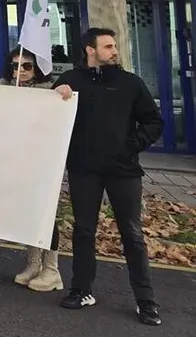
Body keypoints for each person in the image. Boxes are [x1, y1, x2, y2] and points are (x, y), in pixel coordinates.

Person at [54, 28, 163, 326]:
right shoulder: (70, 81)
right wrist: (56, 97)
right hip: (84, 169)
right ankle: (81, 290)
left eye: (115, 46)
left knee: (132, 234)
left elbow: (154, 122)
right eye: (108, 46)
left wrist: (132, 146)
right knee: (84, 231)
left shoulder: (130, 83)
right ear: (90, 50)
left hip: (123, 170)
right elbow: (50, 119)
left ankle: (145, 301)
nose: (115, 51)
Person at [2, 47, 65, 293]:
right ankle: (33, 263)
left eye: (26, 66)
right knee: (27, 211)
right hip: (17, 159)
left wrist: (63, 95)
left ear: (37, 68)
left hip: (45, 160)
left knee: (46, 212)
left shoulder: (50, 91)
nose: (20, 71)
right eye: (15, 66)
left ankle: (52, 269)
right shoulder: (4, 89)